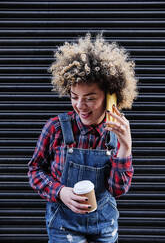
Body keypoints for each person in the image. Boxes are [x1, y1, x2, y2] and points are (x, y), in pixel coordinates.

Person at [28, 33, 138, 243]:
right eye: (74, 96)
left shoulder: (116, 132)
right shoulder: (55, 128)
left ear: (110, 95)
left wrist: (125, 146)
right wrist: (60, 192)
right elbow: (34, 171)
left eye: (90, 98)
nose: (80, 106)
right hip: (63, 225)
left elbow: (117, 189)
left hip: (104, 226)